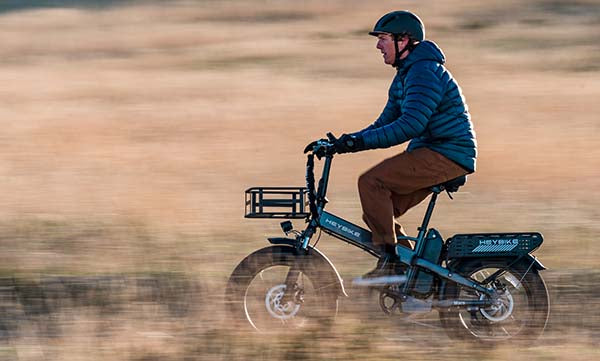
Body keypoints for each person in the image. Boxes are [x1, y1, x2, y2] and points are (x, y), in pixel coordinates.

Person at [304, 10, 477, 280]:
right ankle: (415, 280)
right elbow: (384, 123)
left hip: (446, 153)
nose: (378, 45)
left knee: (371, 183)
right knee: (378, 209)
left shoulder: (424, 73)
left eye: (383, 38)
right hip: (433, 151)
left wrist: (357, 142)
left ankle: (394, 264)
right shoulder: (406, 75)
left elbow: (410, 126)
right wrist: (343, 143)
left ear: (404, 40)